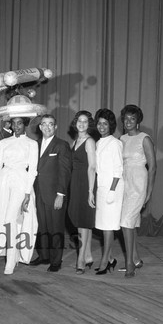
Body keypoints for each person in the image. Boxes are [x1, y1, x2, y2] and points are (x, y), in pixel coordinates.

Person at [0, 117, 39, 275]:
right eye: (14, 123)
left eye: (19, 123)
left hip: (21, 181)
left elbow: (33, 169)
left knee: (11, 219)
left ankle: (11, 261)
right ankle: (12, 253)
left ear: (25, 124)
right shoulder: (4, 142)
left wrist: (28, 192)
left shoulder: (32, 144)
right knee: (5, 219)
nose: (16, 126)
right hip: (4, 182)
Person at [31, 114, 72, 272]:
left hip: (54, 194)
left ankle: (56, 261)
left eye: (51, 124)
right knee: (41, 226)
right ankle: (43, 256)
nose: (47, 127)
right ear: (40, 127)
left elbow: (65, 172)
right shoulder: (35, 144)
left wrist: (60, 195)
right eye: (44, 124)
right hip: (38, 193)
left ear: (55, 127)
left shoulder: (61, 145)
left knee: (55, 228)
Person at [119, 105, 156, 277]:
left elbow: (153, 167)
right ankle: (136, 259)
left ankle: (129, 264)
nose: (128, 122)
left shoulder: (144, 138)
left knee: (126, 221)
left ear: (138, 121)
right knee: (130, 223)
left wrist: (149, 191)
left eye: (132, 118)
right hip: (124, 182)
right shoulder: (122, 138)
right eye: (126, 118)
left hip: (138, 182)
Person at [93, 109, 124, 275]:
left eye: (105, 123)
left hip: (113, 187)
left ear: (110, 125)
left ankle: (105, 261)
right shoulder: (98, 143)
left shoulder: (115, 143)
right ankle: (111, 259)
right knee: (103, 225)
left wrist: (112, 190)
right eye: (99, 123)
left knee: (108, 227)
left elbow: (118, 170)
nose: (101, 126)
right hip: (102, 187)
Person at [67, 111, 96, 275]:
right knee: (82, 221)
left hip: (86, 183)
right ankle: (89, 256)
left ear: (89, 124)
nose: (82, 124)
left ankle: (81, 260)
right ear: (75, 123)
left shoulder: (89, 142)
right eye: (79, 121)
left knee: (82, 222)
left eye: (85, 121)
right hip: (75, 183)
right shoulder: (74, 142)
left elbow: (92, 167)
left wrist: (91, 191)